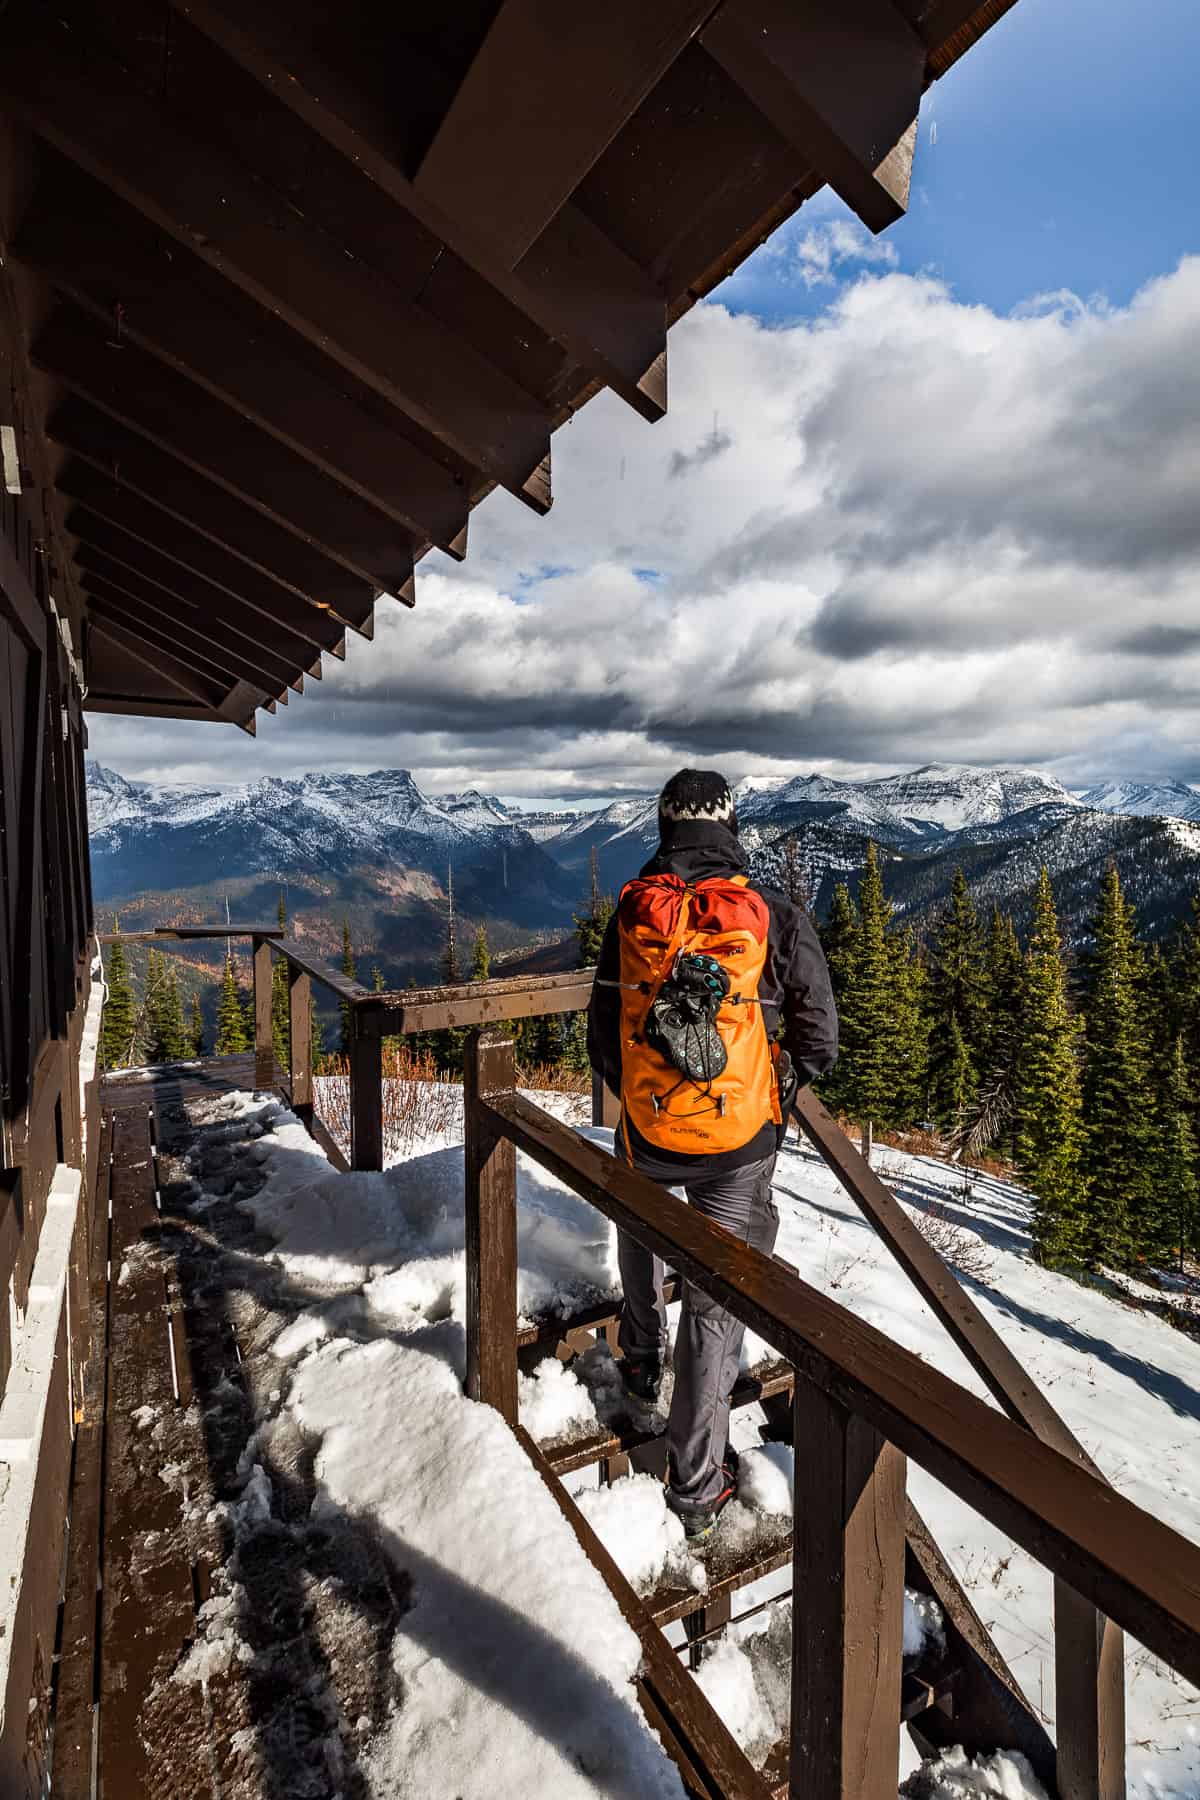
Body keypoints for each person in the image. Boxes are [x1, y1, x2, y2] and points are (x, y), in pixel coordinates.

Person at [587, 768, 838, 1539]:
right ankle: (695, 1484)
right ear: (731, 830)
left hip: (649, 1131)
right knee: (714, 1304)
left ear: (665, 831)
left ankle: (637, 1358)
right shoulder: (768, 915)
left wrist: (644, 1098)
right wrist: (782, 1075)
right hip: (737, 1144)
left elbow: (602, 1036)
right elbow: (821, 1036)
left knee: (641, 1231)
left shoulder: (637, 915)